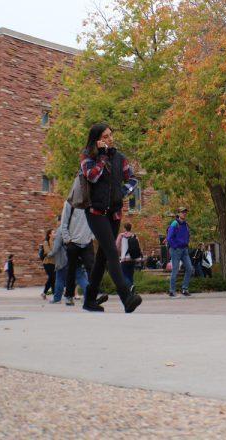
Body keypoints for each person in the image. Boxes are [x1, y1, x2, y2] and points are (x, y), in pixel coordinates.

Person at [79, 123, 143, 313]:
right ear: (97, 139)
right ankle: (126, 297)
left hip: (114, 213)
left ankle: (89, 299)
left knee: (102, 257)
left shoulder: (120, 158)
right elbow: (91, 176)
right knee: (112, 253)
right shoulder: (88, 157)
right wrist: (101, 156)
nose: (110, 139)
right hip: (95, 213)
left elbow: (133, 179)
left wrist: (122, 192)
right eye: (105, 136)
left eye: (111, 135)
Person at [58, 198, 96, 307]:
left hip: (87, 242)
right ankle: (69, 296)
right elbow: (64, 223)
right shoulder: (70, 203)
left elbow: (95, 220)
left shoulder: (91, 202)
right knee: (71, 270)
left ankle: (92, 295)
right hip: (73, 242)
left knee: (91, 268)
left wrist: (91, 237)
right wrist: (67, 240)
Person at [166, 208, 194, 297]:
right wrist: (175, 246)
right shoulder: (175, 223)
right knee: (175, 270)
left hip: (184, 249)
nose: (184, 214)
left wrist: (186, 243)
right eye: (182, 212)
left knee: (189, 269)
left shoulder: (185, 224)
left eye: (185, 212)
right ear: (178, 213)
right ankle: (172, 290)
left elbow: (187, 235)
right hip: (176, 250)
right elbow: (169, 238)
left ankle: (184, 289)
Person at [116, 222, 141, 288]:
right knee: (130, 275)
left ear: (124, 228)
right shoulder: (134, 236)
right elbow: (138, 247)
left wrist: (119, 253)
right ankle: (131, 290)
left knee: (123, 275)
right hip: (133, 258)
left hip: (124, 258)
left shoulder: (121, 235)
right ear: (130, 228)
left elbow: (117, 247)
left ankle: (130, 285)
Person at [39, 230, 56, 298]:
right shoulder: (46, 242)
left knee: (51, 278)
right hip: (47, 263)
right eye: (54, 233)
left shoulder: (56, 242)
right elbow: (48, 252)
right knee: (52, 277)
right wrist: (55, 251)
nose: (55, 234)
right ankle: (54, 293)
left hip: (54, 263)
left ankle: (44, 293)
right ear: (49, 235)